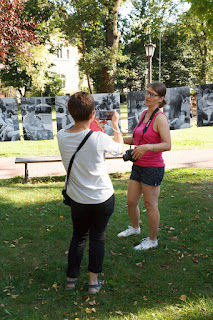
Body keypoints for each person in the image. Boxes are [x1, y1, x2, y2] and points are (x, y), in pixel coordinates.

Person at [57, 92, 123, 294]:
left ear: (70, 113)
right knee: (97, 238)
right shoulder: (99, 138)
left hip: (78, 198)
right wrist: (115, 126)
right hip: (102, 197)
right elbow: (119, 149)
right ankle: (93, 282)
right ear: (93, 113)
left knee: (78, 236)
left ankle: (71, 279)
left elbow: (80, 138)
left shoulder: (61, 136)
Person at [117, 82, 171, 250]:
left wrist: (148, 148)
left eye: (152, 94)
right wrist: (114, 137)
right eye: (147, 93)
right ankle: (135, 228)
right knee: (131, 201)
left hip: (153, 168)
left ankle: (152, 240)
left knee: (150, 205)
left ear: (161, 98)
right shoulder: (143, 114)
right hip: (138, 165)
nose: (148, 96)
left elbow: (167, 145)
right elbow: (137, 140)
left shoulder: (160, 118)